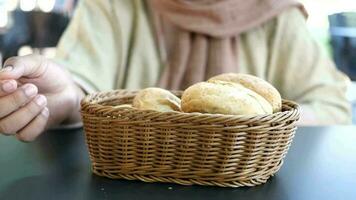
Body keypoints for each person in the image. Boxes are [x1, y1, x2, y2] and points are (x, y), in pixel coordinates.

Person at [0, 0, 352, 142]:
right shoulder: (112, 4)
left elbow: (333, 106)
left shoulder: (278, 14)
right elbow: (79, 84)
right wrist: (58, 100)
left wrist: (255, 127)